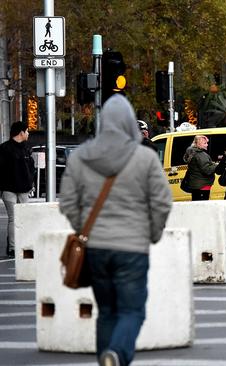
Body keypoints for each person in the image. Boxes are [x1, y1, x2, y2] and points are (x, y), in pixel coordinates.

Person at [59, 94, 172, 366]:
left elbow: (68, 202)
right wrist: (152, 233)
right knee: (132, 311)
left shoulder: (81, 157)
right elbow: (162, 202)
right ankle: (117, 355)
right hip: (132, 248)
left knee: (107, 311)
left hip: (96, 248)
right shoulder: (144, 158)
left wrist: (84, 229)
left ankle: (107, 358)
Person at [0, 121, 34, 258]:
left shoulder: (27, 148)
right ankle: (13, 247)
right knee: (13, 218)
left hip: (24, 189)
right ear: (21, 132)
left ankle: (20, 245)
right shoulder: (4, 149)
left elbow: (31, 168)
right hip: (9, 189)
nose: (28, 134)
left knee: (24, 218)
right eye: (26, 131)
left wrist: (31, 183)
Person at [183, 135, 217, 201]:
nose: (207, 145)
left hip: (195, 184)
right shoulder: (200, 154)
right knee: (203, 206)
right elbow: (207, 170)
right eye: (205, 143)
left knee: (196, 205)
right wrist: (216, 165)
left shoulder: (191, 152)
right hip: (203, 185)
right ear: (198, 144)